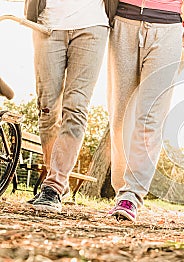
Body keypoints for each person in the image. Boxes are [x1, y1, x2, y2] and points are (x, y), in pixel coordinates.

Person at [24, 0, 118, 213]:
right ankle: (53, 179)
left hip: (92, 26)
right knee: (47, 108)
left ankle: (54, 185)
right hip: (47, 24)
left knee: (76, 107)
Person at [107, 0, 184, 222]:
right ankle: (120, 188)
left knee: (150, 118)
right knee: (119, 118)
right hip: (124, 21)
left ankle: (131, 194)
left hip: (168, 27)